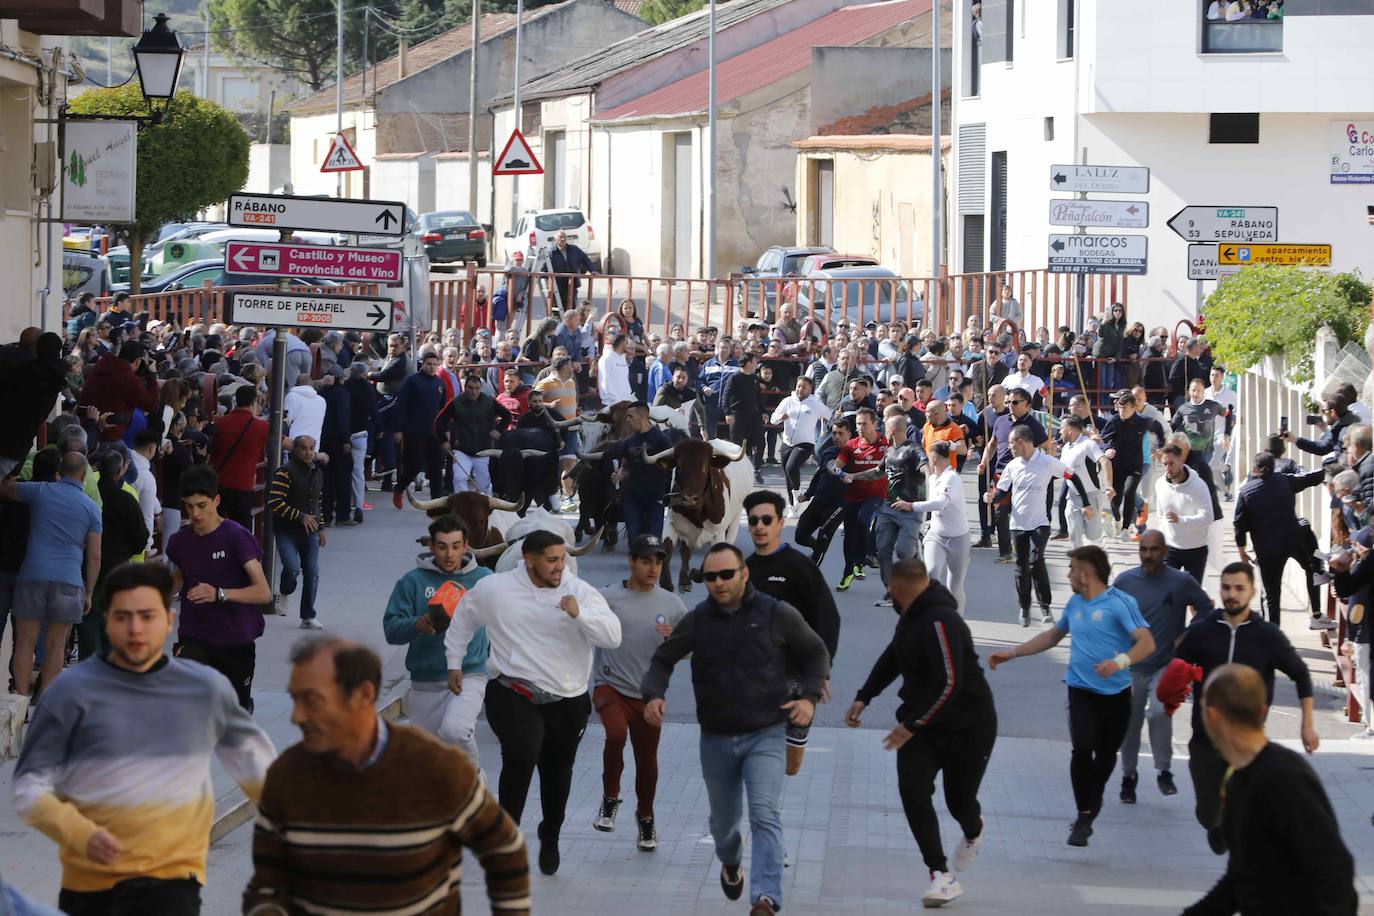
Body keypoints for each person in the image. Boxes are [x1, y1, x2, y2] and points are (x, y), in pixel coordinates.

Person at [13, 561, 275, 916]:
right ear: (106, 621)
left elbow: (258, 769)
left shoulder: (204, 690)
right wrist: (79, 833)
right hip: (90, 882)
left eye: (147, 616)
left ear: (169, 621)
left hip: (172, 881)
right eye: (123, 617)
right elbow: (29, 786)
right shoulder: (68, 694)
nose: (135, 629)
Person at [244, 637, 529, 915]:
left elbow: (505, 849)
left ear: (364, 695)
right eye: (294, 699)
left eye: (312, 700)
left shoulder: (438, 769)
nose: (296, 716)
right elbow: (267, 883)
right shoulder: (287, 776)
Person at [641, 543, 829, 916]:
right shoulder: (697, 620)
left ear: (744, 574)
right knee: (724, 825)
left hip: (766, 733)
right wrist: (653, 695)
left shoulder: (777, 614)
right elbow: (662, 660)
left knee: (764, 814)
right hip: (716, 738)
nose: (719, 583)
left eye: (727, 574)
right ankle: (730, 862)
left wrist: (808, 698)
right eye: (711, 577)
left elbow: (815, 651)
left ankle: (765, 898)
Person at [443, 530, 621, 875]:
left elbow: (612, 637)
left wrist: (579, 614)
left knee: (557, 773)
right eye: (551, 560)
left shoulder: (580, 592)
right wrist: (454, 661)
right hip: (512, 690)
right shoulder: (497, 589)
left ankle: (550, 833)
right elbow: (464, 618)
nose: (560, 566)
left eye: (563, 559)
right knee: (522, 754)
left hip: (567, 698)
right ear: (529, 560)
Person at [847, 558, 997, 909]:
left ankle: (973, 830)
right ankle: (940, 875)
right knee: (913, 792)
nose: (889, 595)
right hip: (923, 727)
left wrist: (910, 725)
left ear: (897, 590)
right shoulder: (911, 616)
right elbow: (894, 656)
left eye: (889, 590)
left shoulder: (941, 621)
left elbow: (950, 684)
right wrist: (864, 696)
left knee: (958, 801)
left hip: (968, 726)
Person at [987, 546, 1155, 848]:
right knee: (1081, 749)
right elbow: (1052, 637)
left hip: (1116, 695)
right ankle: (1084, 814)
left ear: (1086, 574)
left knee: (1104, 757)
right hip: (1080, 690)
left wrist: (1119, 663)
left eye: (1072, 568)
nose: (1068, 575)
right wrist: (1012, 653)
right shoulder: (1075, 603)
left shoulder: (1120, 603)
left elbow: (1146, 643)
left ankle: (1094, 799)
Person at [1181, 664, 1357, 916]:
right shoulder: (1239, 779)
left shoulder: (1281, 775)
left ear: (1213, 716)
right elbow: (1242, 877)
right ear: (1262, 711)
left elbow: (1334, 866)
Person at [1173, 562, 1318, 855]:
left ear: (1252, 591)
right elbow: (1177, 665)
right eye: (1226, 587)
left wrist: (1307, 725)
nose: (1232, 594)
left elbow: (1300, 674)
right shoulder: (1203, 631)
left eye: (1239, 588)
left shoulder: (1267, 636)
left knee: (1247, 800)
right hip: (1206, 737)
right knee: (1208, 810)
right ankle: (1216, 823)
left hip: (1247, 738)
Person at [591, 535, 688, 851]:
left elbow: (692, 648)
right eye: (646, 560)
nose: (653, 568)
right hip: (610, 687)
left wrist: (675, 639)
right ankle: (610, 799)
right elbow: (581, 624)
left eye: (658, 562)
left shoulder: (671, 604)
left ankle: (646, 819)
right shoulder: (607, 598)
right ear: (631, 561)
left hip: (648, 695)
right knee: (615, 735)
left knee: (647, 761)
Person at [1113, 531, 1214, 805]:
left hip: (1165, 664)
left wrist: (1187, 637)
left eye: (1154, 550)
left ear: (1165, 551)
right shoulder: (1125, 581)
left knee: (1159, 713)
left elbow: (1206, 609)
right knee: (1130, 723)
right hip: (1131, 665)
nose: (1148, 555)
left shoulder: (1181, 581)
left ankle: (1164, 770)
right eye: (1143, 549)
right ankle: (1128, 776)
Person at [743, 491, 840, 775]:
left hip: (796, 679)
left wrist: (822, 673)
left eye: (766, 520)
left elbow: (828, 619)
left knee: (791, 766)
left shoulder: (800, 567)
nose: (759, 526)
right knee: (761, 763)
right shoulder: (743, 570)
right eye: (753, 521)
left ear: (780, 522)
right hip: (754, 680)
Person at [383, 514, 491, 763]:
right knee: (427, 763)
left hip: (469, 675)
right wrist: (416, 624)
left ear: (466, 546)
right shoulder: (412, 581)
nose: (449, 554)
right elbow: (391, 630)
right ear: (431, 547)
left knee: (457, 731)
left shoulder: (484, 579)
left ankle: (474, 781)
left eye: (455, 546)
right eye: (442, 547)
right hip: (425, 681)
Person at [166, 465, 272, 712]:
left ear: (216, 500)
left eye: (202, 505)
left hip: (235, 638)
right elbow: (179, 578)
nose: (195, 514)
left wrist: (219, 594)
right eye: (189, 506)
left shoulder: (237, 537)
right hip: (194, 635)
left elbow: (263, 592)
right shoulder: (179, 541)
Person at [0, 452, 101, 697]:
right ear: (84, 475)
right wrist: (88, 592)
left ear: (59, 472)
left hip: (32, 575)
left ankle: (21, 700)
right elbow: (95, 556)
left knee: (25, 642)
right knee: (56, 647)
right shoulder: (92, 509)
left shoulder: (40, 491)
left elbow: (6, 489)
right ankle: (46, 702)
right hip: (69, 581)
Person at [989, 426, 1090, 626]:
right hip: (1018, 524)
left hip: (1040, 523)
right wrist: (993, 497)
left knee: (1036, 561)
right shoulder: (1012, 465)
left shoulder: (1047, 462)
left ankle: (1045, 606)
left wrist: (1085, 502)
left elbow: (1072, 477)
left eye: (1011, 443)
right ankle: (1025, 607)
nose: (1009, 447)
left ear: (1021, 442)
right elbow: (1002, 492)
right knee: (1021, 566)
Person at [1232, 451, 1330, 629]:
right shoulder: (1284, 481)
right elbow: (1310, 478)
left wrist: (1242, 553)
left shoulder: (1246, 493)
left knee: (1271, 596)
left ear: (1254, 469)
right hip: (1292, 542)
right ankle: (1319, 567)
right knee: (1305, 532)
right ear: (1274, 467)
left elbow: (1239, 525)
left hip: (1267, 552)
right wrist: (1331, 468)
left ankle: (1272, 637)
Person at [76, 449, 148, 661]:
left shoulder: (87, 496)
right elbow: (140, 541)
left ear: (97, 468)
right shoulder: (126, 500)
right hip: (117, 570)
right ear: (122, 469)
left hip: (86, 569)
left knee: (88, 630)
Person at [858, 414, 927, 604]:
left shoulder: (914, 450)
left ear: (892, 430)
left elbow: (925, 468)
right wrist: (852, 476)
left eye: (885, 428)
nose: (883, 431)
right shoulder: (889, 452)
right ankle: (891, 590)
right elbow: (877, 472)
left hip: (909, 510)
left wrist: (932, 488)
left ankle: (915, 563)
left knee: (903, 552)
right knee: (883, 550)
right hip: (887, 509)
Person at [268, 436, 326, 630]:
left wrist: (321, 527)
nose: (308, 452)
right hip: (286, 530)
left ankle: (308, 616)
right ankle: (284, 591)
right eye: (303, 448)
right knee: (292, 567)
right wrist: (300, 516)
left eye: (311, 448)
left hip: (310, 531)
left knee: (312, 571)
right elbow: (275, 502)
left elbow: (317, 503)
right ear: (294, 450)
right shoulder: (285, 472)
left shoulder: (317, 471)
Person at [909, 440, 971, 611]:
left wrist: (911, 505)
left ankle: (956, 621)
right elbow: (927, 504)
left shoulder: (952, 478)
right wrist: (921, 526)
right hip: (936, 536)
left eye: (929, 457)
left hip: (959, 539)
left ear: (933, 459)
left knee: (954, 586)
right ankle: (932, 617)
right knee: (931, 576)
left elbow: (939, 504)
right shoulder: (933, 478)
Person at [833, 408, 888, 591]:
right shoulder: (851, 445)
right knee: (849, 535)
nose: (860, 427)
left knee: (864, 519)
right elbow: (836, 466)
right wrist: (840, 473)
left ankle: (861, 560)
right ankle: (848, 572)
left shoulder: (884, 444)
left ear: (875, 424)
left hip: (876, 495)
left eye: (864, 423)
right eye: (858, 424)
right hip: (853, 495)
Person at [1102, 391, 1166, 541]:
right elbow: (1105, 438)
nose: (1121, 411)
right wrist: (1107, 449)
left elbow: (1159, 429)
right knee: (1115, 499)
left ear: (1132, 408)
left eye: (1124, 408)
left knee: (1130, 492)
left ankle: (1125, 529)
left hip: (1135, 465)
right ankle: (1117, 519)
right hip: (1117, 465)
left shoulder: (1142, 421)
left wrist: (1160, 447)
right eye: (1119, 408)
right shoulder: (1114, 421)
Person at [437, 373, 511, 496]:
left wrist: (499, 430)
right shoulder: (456, 402)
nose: (474, 392)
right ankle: (462, 507)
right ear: (465, 388)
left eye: (477, 388)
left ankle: (486, 511)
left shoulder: (489, 401)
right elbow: (439, 421)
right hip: (461, 450)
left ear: (480, 388)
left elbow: (507, 416)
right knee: (460, 478)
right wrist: (443, 440)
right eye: (470, 388)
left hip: (484, 450)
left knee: (484, 486)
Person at [208, 386, 269, 532]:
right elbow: (286, 442)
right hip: (243, 487)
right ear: (254, 402)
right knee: (242, 532)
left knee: (214, 527)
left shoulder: (220, 422)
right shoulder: (261, 427)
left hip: (218, 484)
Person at [1152, 443, 1214, 583]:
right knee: (1168, 594)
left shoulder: (1198, 485)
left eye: (1171, 463)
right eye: (1164, 464)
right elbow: (1161, 516)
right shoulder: (1160, 484)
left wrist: (1181, 520)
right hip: (1170, 548)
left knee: (1192, 599)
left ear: (1181, 461)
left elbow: (1208, 517)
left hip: (1195, 549)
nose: (1167, 468)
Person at [393, 351, 447, 508]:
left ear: (438, 365)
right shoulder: (413, 381)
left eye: (434, 364)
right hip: (414, 431)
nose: (431, 367)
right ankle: (399, 488)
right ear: (423, 364)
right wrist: (398, 429)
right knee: (415, 465)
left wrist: (445, 430)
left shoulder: (439, 383)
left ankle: (436, 503)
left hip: (434, 433)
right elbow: (401, 405)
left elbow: (443, 409)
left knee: (436, 468)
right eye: (428, 364)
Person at [769, 375, 831, 510]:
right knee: (787, 473)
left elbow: (830, 415)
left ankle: (797, 493)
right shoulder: (787, 401)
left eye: (804, 387)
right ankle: (792, 505)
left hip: (805, 443)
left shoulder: (815, 404)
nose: (800, 389)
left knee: (791, 467)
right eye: (799, 386)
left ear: (810, 389)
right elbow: (773, 419)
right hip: (786, 442)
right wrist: (780, 417)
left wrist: (836, 416)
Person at [77, 341, 160, 443]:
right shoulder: (126, 379)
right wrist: (152, 375)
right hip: (106, 438)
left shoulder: (101, 366)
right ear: (138, 361)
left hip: (84, 429)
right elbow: (152, 405)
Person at [1058, 416, 1112, 548]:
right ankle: (1077, 560)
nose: (1059, 432)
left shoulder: (1088, 444)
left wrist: (1109, 485)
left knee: (1092, 535)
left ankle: (1104, 519)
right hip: (1072, 496)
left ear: (1070, 429)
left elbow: (1105, 462)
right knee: (1074, 532)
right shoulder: (1066, 448)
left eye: (1061, 428)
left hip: (1091, 494)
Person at [724, 351, 766, 478]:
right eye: (754, 362)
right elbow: (726, 395)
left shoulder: (754, 378)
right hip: (738, 415)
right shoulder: (734, 378)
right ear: (748, 363)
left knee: (760, 442)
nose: (756, 364)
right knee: (736, 444)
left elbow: (758, 396)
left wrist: (763, 411)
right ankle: (735, 470)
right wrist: (727, 413)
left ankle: (757, 468)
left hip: (754, 415)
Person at [548, 229, 597, 312]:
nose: (563, 239)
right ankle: (558, 324)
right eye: (560, 237)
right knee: (557, 309)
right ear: (555, 239)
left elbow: (585, 259)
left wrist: (593, 270)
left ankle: (571, 324)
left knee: (571, 307)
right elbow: (544, 268)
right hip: (557, 285)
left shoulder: (574, 249)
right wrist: (548, 279)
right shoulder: (550, 252)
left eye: (564, 237)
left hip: (572, 283)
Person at [282, 374, 327, 448]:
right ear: (311, 385)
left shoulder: (291, 396)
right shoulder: (322, 401)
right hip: (313, 446)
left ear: (296, 384)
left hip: (293, 445)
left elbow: (286, 421)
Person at [598, 333, 633, 406]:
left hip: (624, 403)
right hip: (611, 404)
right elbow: (605, 382)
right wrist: (617, 400)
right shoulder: (606, 359)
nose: (628, 346)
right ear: (621, 343)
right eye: (626, 342)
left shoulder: (622, 358)